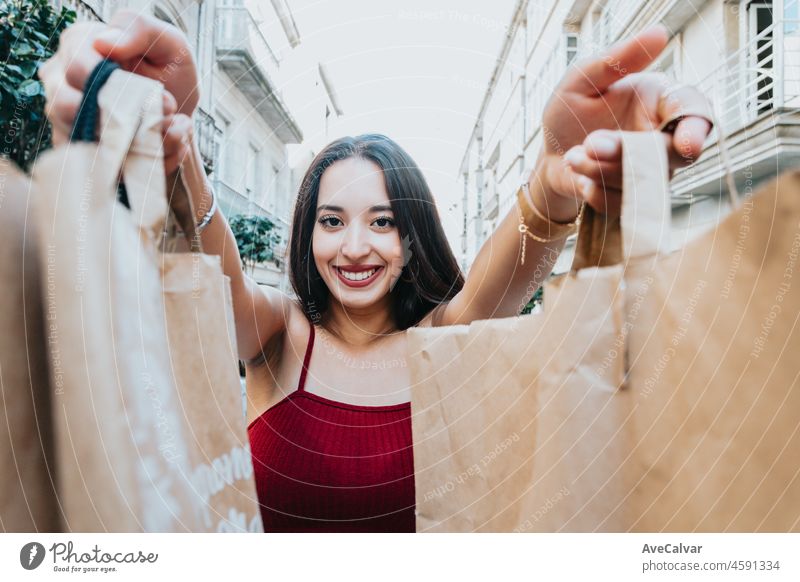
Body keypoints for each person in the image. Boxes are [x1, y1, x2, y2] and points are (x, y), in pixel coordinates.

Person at [40, 10, 712, 532]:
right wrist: (177, 142)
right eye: (331, 221)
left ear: (413, 237)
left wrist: (557, 177)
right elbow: (217, 288)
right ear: (308, 234)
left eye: (383, 221)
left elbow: (505, 278)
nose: (354, 246)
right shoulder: (279, 335)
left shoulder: (445, 345)